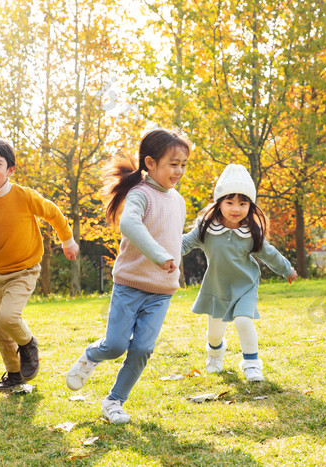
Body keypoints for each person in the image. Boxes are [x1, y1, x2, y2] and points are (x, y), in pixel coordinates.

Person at [66, 128, 190, 424]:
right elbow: (130, 226)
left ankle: (114, 402)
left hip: (162, 291)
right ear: (150, 162)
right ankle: (91, 356)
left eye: (184, 164)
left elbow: (175, 240)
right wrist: (160, 256)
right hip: (130, 285)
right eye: (173, 164)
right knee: (116, 345)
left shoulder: (179, 201)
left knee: (143, 349)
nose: (179, 171)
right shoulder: (140, 195)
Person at [0, 137, 79, 392]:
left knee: (8, 317)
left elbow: (53, 213)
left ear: (10, 169)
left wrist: (67, 240)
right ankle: (15, 377)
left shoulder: (24, 196)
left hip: (24, 270)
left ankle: (28, 343)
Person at [182, 164, 297, 382]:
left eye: (243, 203)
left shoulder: (251, 232)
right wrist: (163, 253)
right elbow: (184, 243)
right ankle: (215, 355)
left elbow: (269, 254)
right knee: (214, 334)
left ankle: (251, 364)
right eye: (230, 202)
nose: (236, 208)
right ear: (219, 203)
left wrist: (286, 269)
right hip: (217, 287)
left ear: (250, 206)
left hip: (245, 285)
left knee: (244, 321)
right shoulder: (206, 228)